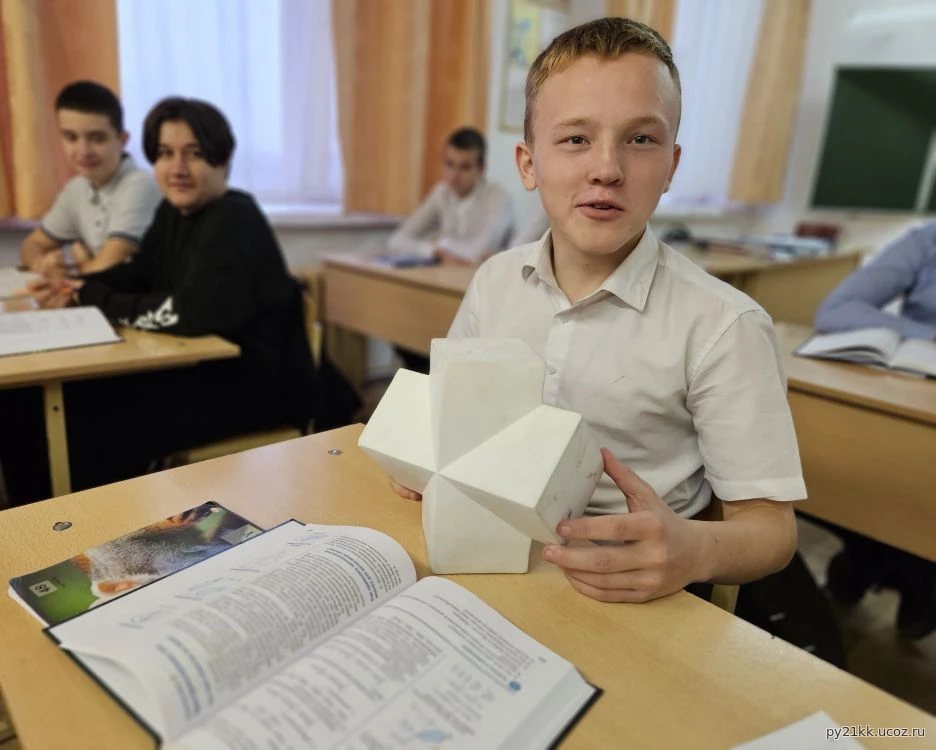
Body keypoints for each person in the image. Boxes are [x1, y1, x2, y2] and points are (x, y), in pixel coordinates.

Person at [392, 17, 806, 604]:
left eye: (640, 139)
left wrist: (691, 550)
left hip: (626, 590)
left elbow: (772, 531)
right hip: (489, 556)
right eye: (575, 139)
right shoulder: (494, 282)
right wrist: (422, 457)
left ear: (672, 166)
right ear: (528, 164)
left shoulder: (724, 326)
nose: (607, 169)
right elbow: (446, 419)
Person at [0, 97, 321, 505]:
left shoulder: (235, 218)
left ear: (222, 160)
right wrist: (73, 287)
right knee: (20, 396)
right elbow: (138, 272)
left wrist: (95, 296)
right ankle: (24, 519)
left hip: (252, 387)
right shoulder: (173, 212)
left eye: (194, 153)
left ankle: (88, 524)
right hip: (197, 368)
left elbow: (187, 314)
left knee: (89, 420)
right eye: (165, 153)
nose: (177, 168)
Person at [813, 222, 936, 639]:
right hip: (907, 396)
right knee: (857, 466)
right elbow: (836, 309)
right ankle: (876, 561)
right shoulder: (927, 240)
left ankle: (904, 573)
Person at [20, 81, 162, 277]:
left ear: (122, 140)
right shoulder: (77, 188)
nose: (83, 151)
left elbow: (107, 268)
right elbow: (32, 245)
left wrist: (75, 271)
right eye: (71, 137)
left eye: (97, 138)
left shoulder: (140, 185)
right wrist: (44, 264)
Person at [388, 127, 514, 267]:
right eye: (449, 164)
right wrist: (432, 250)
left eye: (465, 167)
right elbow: (397, 240)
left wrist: (443, 244)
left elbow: (480, 252)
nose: (454, 175)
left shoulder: (498, 197)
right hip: (447, 273)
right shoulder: (441, 192)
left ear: (481, 169)